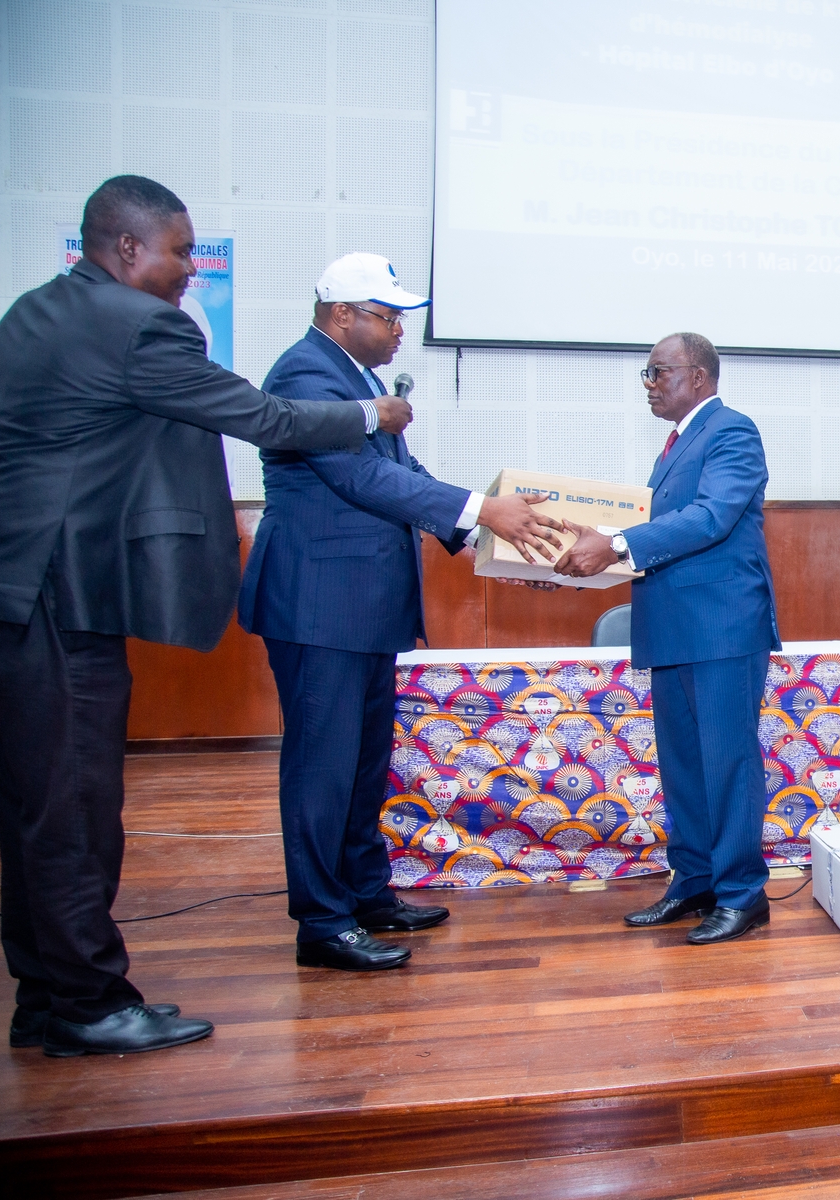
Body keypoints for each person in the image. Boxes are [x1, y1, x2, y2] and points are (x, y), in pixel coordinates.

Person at [0, 176, 406, 1056]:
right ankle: (90, 1002)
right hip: (56, 599)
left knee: (37, 807)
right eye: (179, 251)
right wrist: (374, 412)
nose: (188, 270)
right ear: (128, 248)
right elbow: (261, 416)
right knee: (74, 809)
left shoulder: (37, 311)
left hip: (20, 589)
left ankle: (46, 996)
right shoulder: (138, 324)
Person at [236, 254, 565, 971]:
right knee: (322, 766)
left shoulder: (361, 382)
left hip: (361, 609)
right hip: (318, 605)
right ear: (342, 315)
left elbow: (405, 475)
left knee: (361, 763)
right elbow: (359, 476)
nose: (397, 333)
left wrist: (489, 535)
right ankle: (323, 923)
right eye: (387, 318)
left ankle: (363, 893)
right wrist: (486, 510)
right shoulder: (305, 374)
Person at [551, 332, 780, 944]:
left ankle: (741, 894)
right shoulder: (675, 447)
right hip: (674, 625)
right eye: (646, 375)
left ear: (700, 376)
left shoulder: (732, 430)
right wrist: (578, 559)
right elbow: (660, 532)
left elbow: (711, 517)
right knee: (683, 766)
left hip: (721, 625)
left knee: (727, 762)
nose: (649, 385)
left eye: (659, 372)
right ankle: (696, 880)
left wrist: (616, 545)